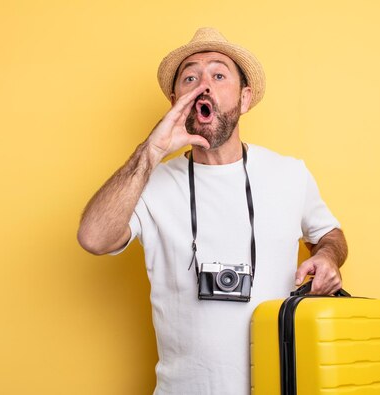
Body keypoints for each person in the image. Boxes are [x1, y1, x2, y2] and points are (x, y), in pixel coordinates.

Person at [77, 27, 348, 395]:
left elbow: (329, 234)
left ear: (245, 97)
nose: (204, 85)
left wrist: (329, 258)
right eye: (190, 77)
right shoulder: (149, 182)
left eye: (219, 75)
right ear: (177, 99)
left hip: (278, 385)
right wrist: (151, 151)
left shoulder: (289, 173)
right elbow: (93, 238)